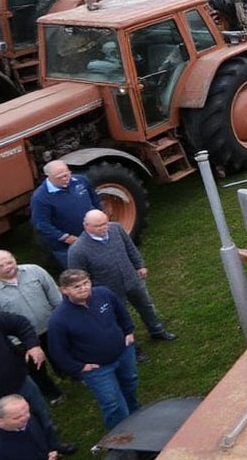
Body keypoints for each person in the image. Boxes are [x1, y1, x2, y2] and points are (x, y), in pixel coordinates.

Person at [67, 210, 177, 354]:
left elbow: (130, 247)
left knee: (146, 305)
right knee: (119, 319)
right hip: (109, 291)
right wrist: (91, 294)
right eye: (98, 226)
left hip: (131, 279)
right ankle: (132, 348)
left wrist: (139, 265)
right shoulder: (77, 250)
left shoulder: (116, 228)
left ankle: (158, 330)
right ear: (86, 226)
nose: (104, 228)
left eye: (105, 223)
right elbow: (78, 277)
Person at [0, 313, 70, 454]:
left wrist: (33, 346)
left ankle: (52, 445)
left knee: (40, 418)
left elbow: (19, 323)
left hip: (19, 386)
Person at [47, 269, 140, 430]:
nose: (84, 288)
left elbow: (121, 312)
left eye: (86, 283)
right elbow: (58, 351)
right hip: (97, 369)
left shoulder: (104, 294)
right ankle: (121, 436)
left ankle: (137, 417)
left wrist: (128, 331)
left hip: (124, 353)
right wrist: (80, 367)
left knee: (130, 384)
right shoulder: (59, 319)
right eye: (77, 286)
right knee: (112, 402)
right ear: (64, 290)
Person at [0, 252, 64, 404]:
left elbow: (54, 293)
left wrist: (60, 312)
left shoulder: (35, 271)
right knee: (36, 369)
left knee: (60, 353)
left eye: (9, 262)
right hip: (22, 341)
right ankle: (52, 394)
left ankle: (69, 374)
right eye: (0, 266)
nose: (7, 267)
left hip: (50, 326)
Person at [29, 161, 101, 269]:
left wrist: (100, 217)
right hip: (66, 247)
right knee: (78, 275)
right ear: (48, 177)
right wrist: (65, 238)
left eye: (66, 174)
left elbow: (95, 200)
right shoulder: (41, 197)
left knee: (98, 267)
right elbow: (41, 225)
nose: (65, 178)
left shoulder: (80, 180)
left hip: (91, 236)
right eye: (59, 177)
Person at [0, 395, 56, 460]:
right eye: (17, 417)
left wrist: (49, 452)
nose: (26, 417)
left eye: (27, 411)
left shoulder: (28, 417)